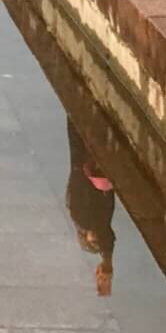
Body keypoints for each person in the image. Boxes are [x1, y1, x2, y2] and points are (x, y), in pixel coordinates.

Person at [66, 122, 116, 298]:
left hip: (85, 164)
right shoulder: (98, 224)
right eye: (97, 243)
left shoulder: (81, 218)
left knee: (78, 126)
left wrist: (106, 261)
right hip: (93, 167)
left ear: (85, 236)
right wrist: (107, 261)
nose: (97, 239)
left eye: (92, 242)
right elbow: (107, 236)